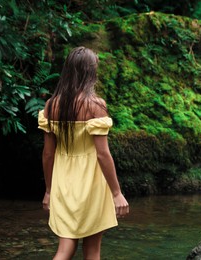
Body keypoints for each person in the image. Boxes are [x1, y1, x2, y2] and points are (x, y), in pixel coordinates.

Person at [38, 46, 129, 260]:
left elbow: (48, 154)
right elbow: (102, 154)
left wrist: (49, 190)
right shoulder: (95, 105)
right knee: (92, 251)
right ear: (90, 72)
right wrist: (117, 193)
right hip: (91, 181)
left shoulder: (51, 105)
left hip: (63, 181)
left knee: (65, 248)